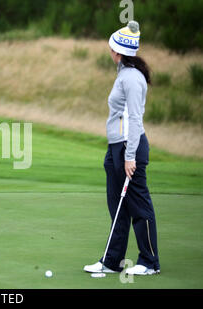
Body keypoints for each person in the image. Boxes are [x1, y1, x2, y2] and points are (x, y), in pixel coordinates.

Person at [84, 21, 160, 275]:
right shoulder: (123, 73)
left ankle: (149, 262)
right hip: (116, 147)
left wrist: (129, 157)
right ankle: (112, 261)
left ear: (118, 51)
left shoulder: (132, 78)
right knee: (118, 206)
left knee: (139, 206)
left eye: (111, 48)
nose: (109, 52)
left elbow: (135, 120)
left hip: (131, 147)